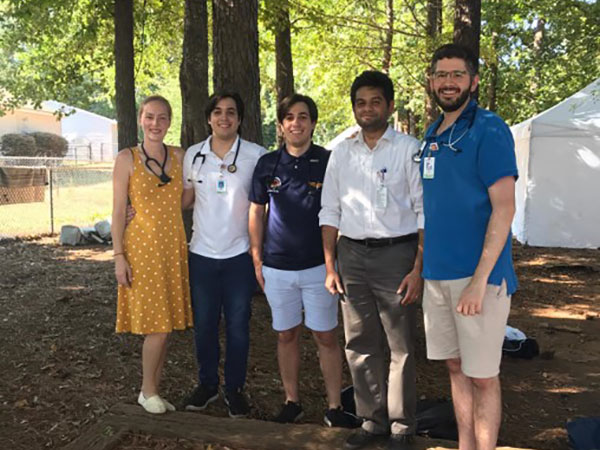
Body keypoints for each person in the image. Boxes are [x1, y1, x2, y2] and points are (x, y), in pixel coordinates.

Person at [419, 43, 518, 450]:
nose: (448, 82)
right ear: (431, 81)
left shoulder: (490, 129)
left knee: (482, 375)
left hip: (479, 279)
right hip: (437, 276)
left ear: (473, 81)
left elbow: (504, 209)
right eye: (441, 74)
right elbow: (435, 210)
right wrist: (418, 267)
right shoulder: (433, 133)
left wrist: (479, 281)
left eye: (457, 74)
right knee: (456, 369)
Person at [320, 71, 424, 450]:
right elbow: (329, 210)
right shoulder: (342, 154)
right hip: (351, 256)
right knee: (359, 342)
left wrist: (417, 268)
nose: (368, 108)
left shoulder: (409, 149)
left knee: (400, 344)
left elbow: (423, 210)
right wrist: (331, 265)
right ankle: (371, 421)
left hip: (397, 254)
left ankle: (401, 426)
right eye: (361, 102)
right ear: (354, 108)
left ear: (389, 105)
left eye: (375, 101)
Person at [248, 94, 360, 428]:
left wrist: (333, 263)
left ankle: (335, 406)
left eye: (303, 117)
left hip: (319, 269)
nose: (296, 123)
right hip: (276, 268)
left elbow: (341, 211)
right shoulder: (267, 164)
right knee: (286, 335)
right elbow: (257, 211)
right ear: (281, 125)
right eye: (290, 118)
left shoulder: (329, 160)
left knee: (325, 336)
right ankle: (291, 400)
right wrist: (257, 258)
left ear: (312, 122)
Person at [181, 92, 266, 418]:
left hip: (239, 257)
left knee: (238, 327)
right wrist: (140, 209)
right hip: (201, 255)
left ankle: (234, 389)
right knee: (203, 325)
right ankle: (206, 385)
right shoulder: (194, 155)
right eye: (217, 112)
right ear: (209, 118)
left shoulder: (256, 156)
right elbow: (186, 200)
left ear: (240, 119)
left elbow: (265, 206)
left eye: (231, 112)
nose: (224, 118)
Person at [112, 95, 193, 415]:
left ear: (170, 121)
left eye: (161, 118)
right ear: (140, 119)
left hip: (173, 248)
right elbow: (118, 210)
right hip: (141, 250)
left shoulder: (180, 156)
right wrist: (118, 255)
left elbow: (186, 199)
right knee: (157, 326)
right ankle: (147, 391)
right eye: (149, 117)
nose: (155, 124)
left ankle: (153, 389)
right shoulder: (126, 158)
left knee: (167, 324)